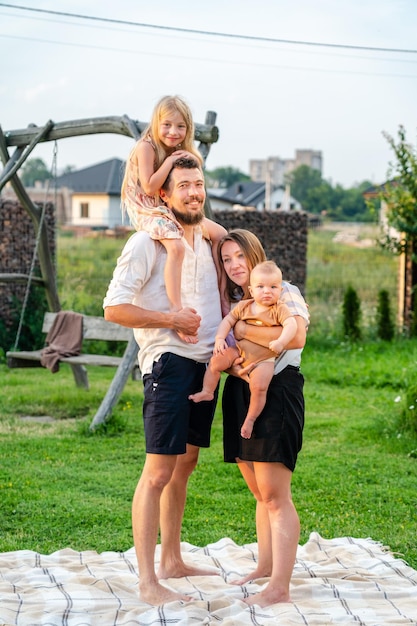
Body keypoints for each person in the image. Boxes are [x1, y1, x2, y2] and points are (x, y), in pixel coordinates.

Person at [103, 157, 223, 606]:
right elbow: (114, 308)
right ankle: (148, 581)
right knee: (157, 473)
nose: (194, 192)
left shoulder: (209, 242)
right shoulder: (146, 242)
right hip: (168, 363)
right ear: (165, 196)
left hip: (205, 366)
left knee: (184, 466)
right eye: (184, 186)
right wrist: (168, 317)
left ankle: (172, 559)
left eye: (199, 184)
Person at [219, 229, 309, 607]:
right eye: (226, 259)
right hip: (241, 390)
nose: (234, 265)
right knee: (259, 491)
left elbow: (299, 336)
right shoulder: (239, 301)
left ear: (256, 256)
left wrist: (253, 342)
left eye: (241, 256)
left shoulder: (283, 291)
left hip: (277, 392)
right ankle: (264, 567)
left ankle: (279, 588)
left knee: (275, 494)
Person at [121, 94, 227, 341]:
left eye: (181, 126)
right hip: (147, 209)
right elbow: (148, 187)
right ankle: (176, 308)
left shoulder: (179, 151)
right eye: (167, 125)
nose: (173, 131)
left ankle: (224, 297)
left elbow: (194, 166)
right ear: (156, 123)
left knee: (220, 233)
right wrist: (168, 161)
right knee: (176, 248)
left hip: (167, 208)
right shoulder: (146, 147)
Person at [189, 260, 297, 440]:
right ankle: (207, 391)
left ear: (281, 290)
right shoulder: (245, 306)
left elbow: (291, 325)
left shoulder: (280, 309)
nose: (267, 291)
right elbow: (228, 321)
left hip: (264, 359)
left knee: (259, 387)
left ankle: (250, 419)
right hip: (239, 350)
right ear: (252, 290)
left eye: (273, 286)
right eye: (261, 286)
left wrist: (280, 341)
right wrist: (219, 338)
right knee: (216, 361)